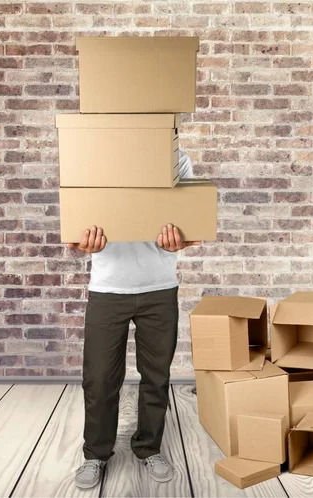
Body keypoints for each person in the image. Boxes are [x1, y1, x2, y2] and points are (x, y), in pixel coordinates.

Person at [68, 151, 200, 489]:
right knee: (98, 378)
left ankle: (149, 447)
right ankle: (96, 454)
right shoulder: (91, 157)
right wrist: (82, 243)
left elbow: (191, 224)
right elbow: (72, 231)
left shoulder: (175, 159)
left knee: (156, 376)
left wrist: (179, 241)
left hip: (159, 287)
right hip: (107, 288)